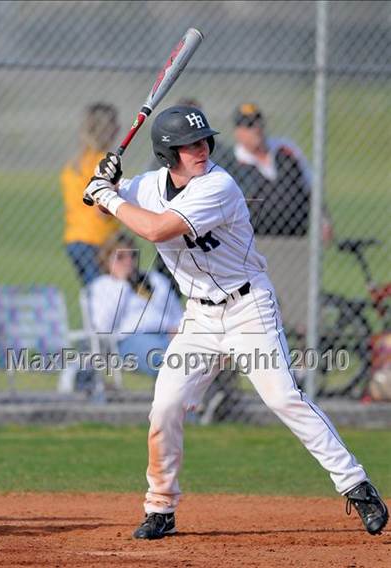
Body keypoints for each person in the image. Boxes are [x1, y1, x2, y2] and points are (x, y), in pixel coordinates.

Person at [83, 105, 388, 539]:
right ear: (168, 154)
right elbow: (104, 207)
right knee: (165, 406)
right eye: (189, 145)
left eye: (204, 140)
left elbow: (155, 230)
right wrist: (105, 183)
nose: (202, 149)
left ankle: (357, 486)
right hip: (199, 318)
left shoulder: (219, 185)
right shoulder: (149, 185)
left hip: (248, 310)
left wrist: (108, 194)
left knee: (284, 398)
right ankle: (161, 507)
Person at [218, 103, 334, 333]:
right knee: (266, 306)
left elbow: (311, 187)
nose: (256, 130)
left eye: (258, 123)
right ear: (238, 132)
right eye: (249, 126)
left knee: (301, 304)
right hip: (259, 244)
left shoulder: (285, 150)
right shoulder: (232, 163)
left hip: (298, 241)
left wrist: (324, 219)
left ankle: (304, 360)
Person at [88, 231, 183, 377]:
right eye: (120, 257)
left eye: (132, 255)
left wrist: (178, 330)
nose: (128, 262)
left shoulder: (153, 279)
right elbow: (103, 326)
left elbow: (177, 313)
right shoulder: (103, 285)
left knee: (196, 353)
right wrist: (122, 285)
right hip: (130, 339)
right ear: (106, 260)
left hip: (166, 334)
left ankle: (216, 393)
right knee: (164, 359)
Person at [61, 103, 121, 285]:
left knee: (93, 295)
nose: (119, 128)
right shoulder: (104, 163)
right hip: (98, 241)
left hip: (74, 238)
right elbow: (101, 210)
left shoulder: (74, 163)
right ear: (107, 129)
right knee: (105, 296)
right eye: (115, 124)